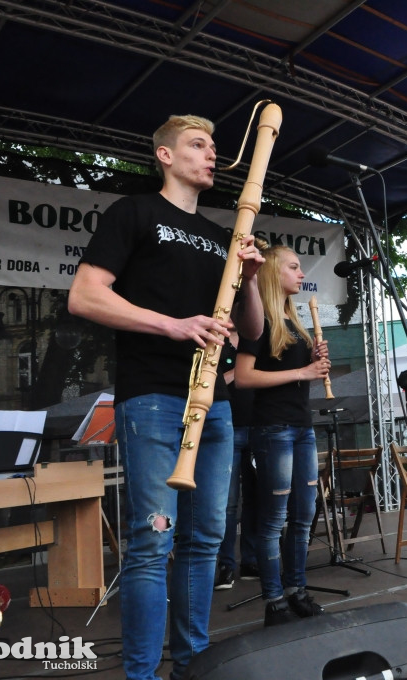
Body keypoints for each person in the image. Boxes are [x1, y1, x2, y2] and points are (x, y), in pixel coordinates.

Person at [68, 113, 266, 680]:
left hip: (217, 404)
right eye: (198, 145)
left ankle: (192, 664)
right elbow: (84, 297)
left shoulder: (218, 235)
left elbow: (249, 331)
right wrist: (174, 326)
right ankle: (140, 674)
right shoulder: (133, 212)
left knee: (206, 539)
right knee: (154, 539)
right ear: (165, 155)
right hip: (153, 395)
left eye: (213, 146)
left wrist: (250, 278)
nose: (212, 155)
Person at [234, 243, 330, 626]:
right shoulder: (258, 321)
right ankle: (274, 601)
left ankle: (297, 590)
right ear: (275, 272)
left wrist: (313, 361)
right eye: (294, 267)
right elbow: (243, 378)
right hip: (272, 428)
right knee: (274, 519)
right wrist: (302, 373)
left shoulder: (294, 320)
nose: (301, 274)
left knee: (305, 515)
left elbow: (300, 375)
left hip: (301, 426)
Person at [213, 326, 256, 591]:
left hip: (257, 426)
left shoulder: (254, 339)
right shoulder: (216, 340)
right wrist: (238, 371)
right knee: (228, 504)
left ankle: (250, 560)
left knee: (255, 498)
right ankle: (225, 564)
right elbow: (209, 382)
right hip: (226, 429)